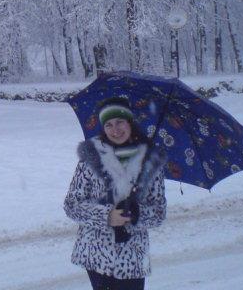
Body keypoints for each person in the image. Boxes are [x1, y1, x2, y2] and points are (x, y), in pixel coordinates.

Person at [64, 97, 167, 290]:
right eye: (109, 125)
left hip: (132, 255)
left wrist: (137, 214)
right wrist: (106, 216)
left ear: (130, 122)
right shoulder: (91, 156)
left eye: (120, 122)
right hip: (95, 252)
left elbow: (159, 212)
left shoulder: (150, 160)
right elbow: (71, 205)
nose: (115, 130)